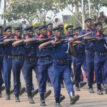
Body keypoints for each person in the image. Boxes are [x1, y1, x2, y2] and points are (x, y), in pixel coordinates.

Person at [39, 27, 80, 107]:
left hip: (65, 65)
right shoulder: (50, 40)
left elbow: (73, 53)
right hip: (55, 65)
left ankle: (72, 96)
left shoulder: (66, 41)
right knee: (57, 84)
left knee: (68, 81)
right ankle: (57, 101)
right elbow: (40, 46)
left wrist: (71, 45)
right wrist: (50, 42)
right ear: (54, 32)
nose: (60, 32)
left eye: (61, 31)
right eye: (58, 31)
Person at [22, 26, 38, 104]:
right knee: (28, 80)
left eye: (32, 30)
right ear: (26, 32)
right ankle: (29, 96)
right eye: (29, 31)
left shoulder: (36, 38)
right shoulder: (23, 39)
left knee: (40, 76)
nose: (31, 32)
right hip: (26, 62)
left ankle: (41, 92)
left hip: (36, 61)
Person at [80, 18, 96, 93]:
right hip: (88, 52)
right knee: (90, 70)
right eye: (88, 22)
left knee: (99, 69)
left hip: (96, 52)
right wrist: (92, 38)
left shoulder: (95, 30)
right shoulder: (83, 31)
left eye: (90, 21)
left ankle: (101, 84)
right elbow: (82, 38)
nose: (89, 23)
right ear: (86, 23)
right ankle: (90, 85)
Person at [12, 27, 25, 102]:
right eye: (17, 31)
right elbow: (13, 44)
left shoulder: (24, 39)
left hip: (24, 59)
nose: (19, 33)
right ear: (15, 32)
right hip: (15, 59)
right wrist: (22, 41)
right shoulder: (12, 39)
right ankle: (16, 94)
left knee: (27, 76)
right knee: (16, 77)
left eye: (20, 31)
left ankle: (30, 90)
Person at [2, 26, 14, 100]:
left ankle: (17, 90)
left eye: (10, 31)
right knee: (7, 76)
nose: (9, 32)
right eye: (8, 31)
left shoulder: (14, 38)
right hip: (6, 59)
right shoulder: (3, 38)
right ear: (5, 32)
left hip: (14, 58)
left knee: (16, 75)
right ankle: (7, 92)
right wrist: (6, 40)